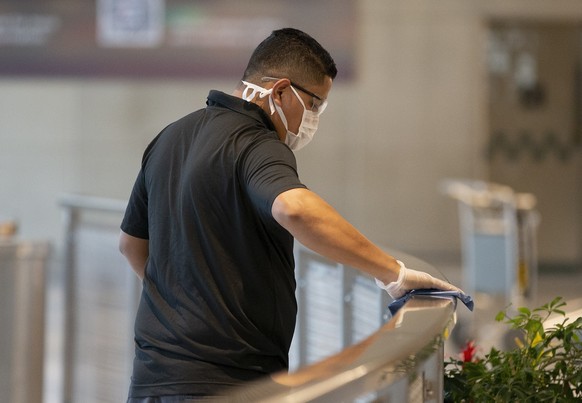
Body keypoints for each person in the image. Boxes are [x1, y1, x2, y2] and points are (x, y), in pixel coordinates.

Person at [119, 27, 462, 402]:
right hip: (227, 382)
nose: (314, 118)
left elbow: (132, 246)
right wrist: (393, 273)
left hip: (151, 379)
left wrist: (184, 299)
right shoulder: (256, 143)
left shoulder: (170, 137)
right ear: (280, 91)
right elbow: (294, 208)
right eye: (315, 104)